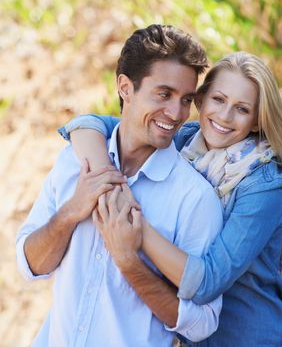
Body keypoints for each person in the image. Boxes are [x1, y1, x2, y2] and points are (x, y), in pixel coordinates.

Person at [60, 51, 282, 347]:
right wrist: (107, 179)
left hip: (250, 338)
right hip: (194, 338)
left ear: (256, 122)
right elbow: (87, 124)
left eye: (241, 109)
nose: (224, 117)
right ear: (200, 100)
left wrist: (131, 221)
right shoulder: (185, 139)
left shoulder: (263, 186)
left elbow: (207, 281)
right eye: (219, 100)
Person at [16, 24, 225, 347]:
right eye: (164, 94)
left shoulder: (195, 199)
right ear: (126, 88)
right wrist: (72, 210)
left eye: (186, 100)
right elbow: (29, 264)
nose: (176, 113)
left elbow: (203, 323)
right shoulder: (75, 161)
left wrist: (129, 262)